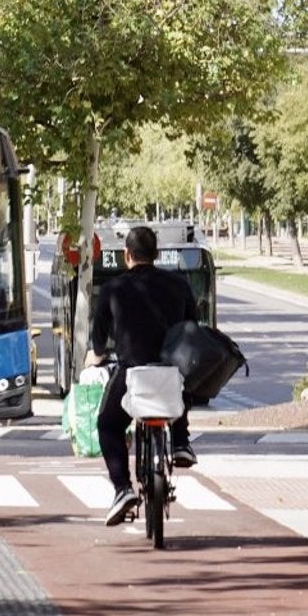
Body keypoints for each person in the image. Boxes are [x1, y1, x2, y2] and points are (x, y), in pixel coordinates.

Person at [83, 224, 197, 526]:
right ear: (157, 254)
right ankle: (182, 441)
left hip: (132, 372)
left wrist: (96, 356)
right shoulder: (178, 286)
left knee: (107, 424)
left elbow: (98, 340)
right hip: (170, 372)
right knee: (180, 384)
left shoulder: (112, 289)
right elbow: (192, 328)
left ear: (126, 255)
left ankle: (122, 489)